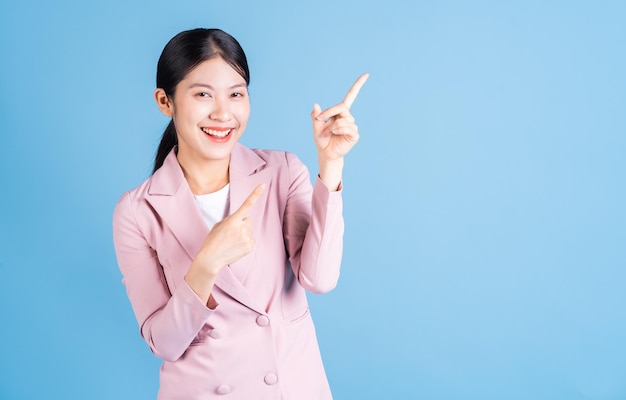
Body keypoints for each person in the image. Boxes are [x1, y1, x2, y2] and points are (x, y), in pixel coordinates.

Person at [112, 28, 367, 400]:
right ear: (165, 102)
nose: (223, 113)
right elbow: (163, 343)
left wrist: (331, 166)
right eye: (202, 94)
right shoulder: (137, 211)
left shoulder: (281, 171)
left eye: (236, 94)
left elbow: (319, 278)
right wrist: (205, 265)